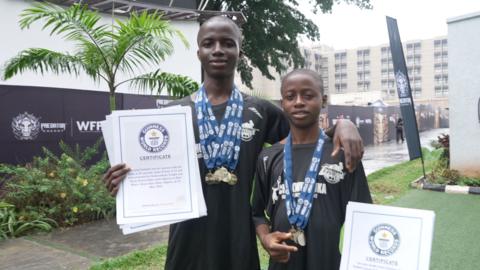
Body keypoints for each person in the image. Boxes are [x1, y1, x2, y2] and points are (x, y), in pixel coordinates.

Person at [103, 16, 364, 270]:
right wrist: (125, 186)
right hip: (186, 246)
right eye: (209, 43)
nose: (218, 50)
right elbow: (150, 173)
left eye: (228, 43)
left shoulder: (260, 110)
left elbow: (305, 138)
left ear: (239, 52)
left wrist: (342, 126)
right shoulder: (173, 114)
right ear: (199, 53)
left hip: (238, 246)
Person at [252, 69, 372, 270]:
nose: (298, 102)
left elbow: (365, 216)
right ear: (283, 104)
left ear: (323, 100)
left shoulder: (343, 154)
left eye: (308, 95)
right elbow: (256, 213)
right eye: (290, 97)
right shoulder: (268, 157)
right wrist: (265, 238)